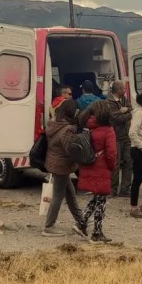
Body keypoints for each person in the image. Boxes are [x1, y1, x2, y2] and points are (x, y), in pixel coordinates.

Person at [42, 99, 85, 237]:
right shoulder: (68, 129)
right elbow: (69, 149)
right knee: (58, 196)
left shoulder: (53, 123)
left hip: (54, 162)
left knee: (70, 194)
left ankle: (81, 220)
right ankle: (49, 226)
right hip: (62, 165)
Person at [77, 100, 118, 243]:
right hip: (102, 167)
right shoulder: (108, 130)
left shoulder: (88, 127)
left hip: (89, 165)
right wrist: (112, 167)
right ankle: (97, 232)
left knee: (97, 198)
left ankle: (81, 222)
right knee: (101, 200)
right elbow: (111, 153)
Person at [107, 80, 132, 197]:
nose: (125, 90)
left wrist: (125, 111)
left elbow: (130, 108)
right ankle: (113, 189)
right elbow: (116, 117)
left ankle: (125, 189)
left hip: (126, 135)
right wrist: (127, 113)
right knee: (115, 163)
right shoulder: (109, 102)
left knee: (128, 161)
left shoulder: (123, 99)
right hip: (115, 136)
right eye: (123, 88)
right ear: (119, 90)